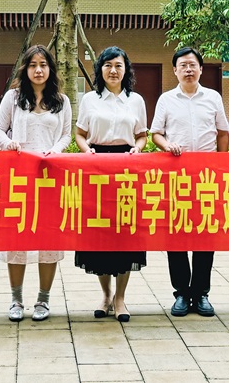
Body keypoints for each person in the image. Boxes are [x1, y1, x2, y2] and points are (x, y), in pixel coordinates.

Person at [150, 47, 229, 318]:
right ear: (175, 70)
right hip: (176, 176)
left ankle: (201, 292)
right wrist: (166, 145)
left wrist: (221, 164)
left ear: (201, 69)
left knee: (205, 234)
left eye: (192, 65)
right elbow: (155, 134)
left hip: (207, 176)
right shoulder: (166, 100)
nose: (188, 69)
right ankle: (182, 293)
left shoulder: (213, 97)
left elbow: (223, 133)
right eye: (183, 65)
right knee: (176, 235)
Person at [0, 45, 72, 322]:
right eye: (32, 65)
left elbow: (66, 135)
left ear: (51, 68)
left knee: (48, 239)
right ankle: (16, 300)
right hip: (18, 177)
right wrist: (8, 143)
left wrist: (56, 150)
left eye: (43, 65)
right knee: (17, 238)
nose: (38, 70)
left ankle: (43, 299)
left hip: (50, 177)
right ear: (25, 69)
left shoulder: (61, 100)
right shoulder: (13, 98)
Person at [74, 46, 148, 323]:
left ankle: (120, 298)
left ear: (126, 69)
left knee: (125, 234)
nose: (113, 71)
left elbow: (141, 135)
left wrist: (138, 148)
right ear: (100, 69)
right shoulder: (90, 99)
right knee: (100, 235)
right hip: (97, 169)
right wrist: (86, 151)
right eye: (107, 66)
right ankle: (105, 295)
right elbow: (80, 134)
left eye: (118, 65)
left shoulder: (136, 100)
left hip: (126, 170)